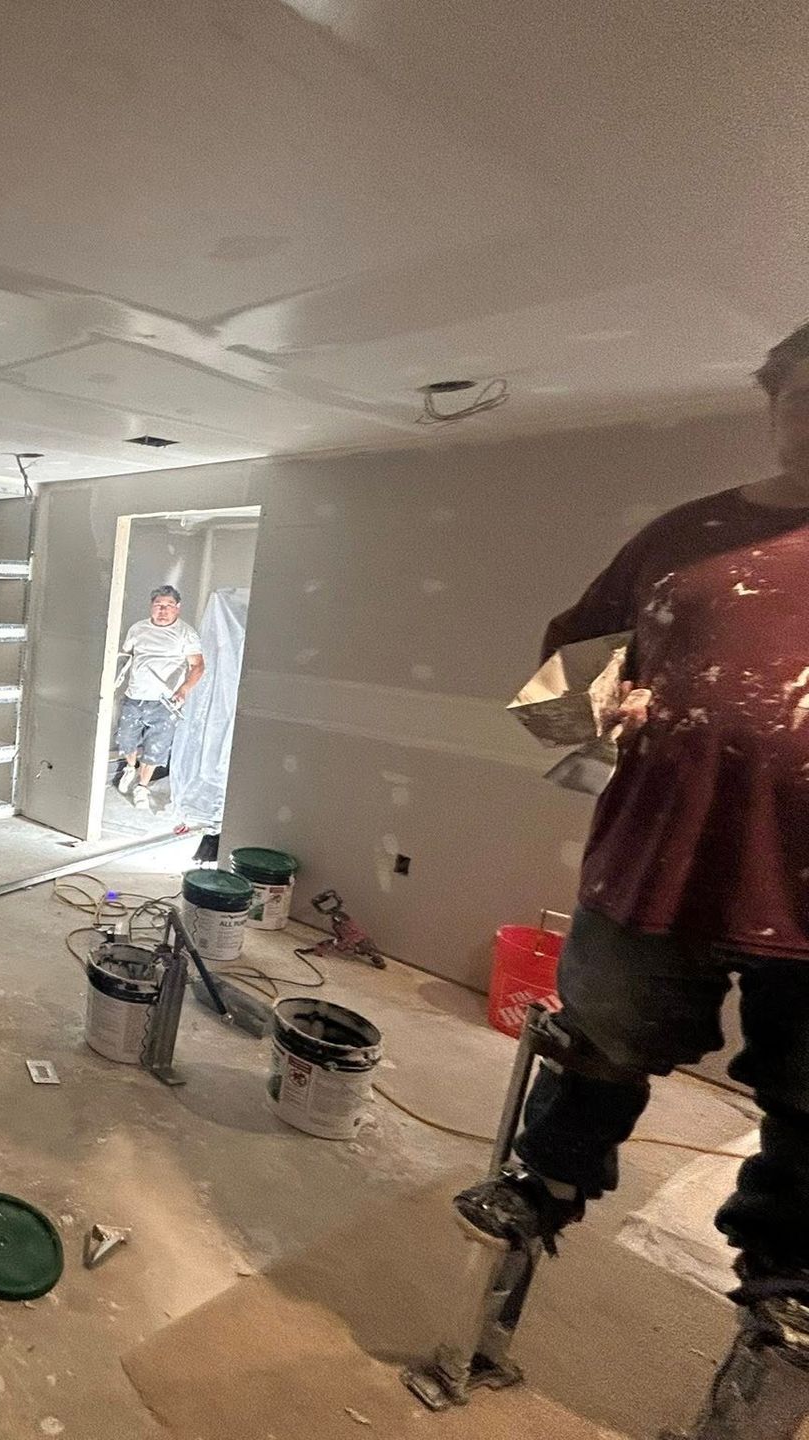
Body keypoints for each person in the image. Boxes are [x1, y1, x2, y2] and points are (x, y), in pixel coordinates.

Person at [457, 322, 809, 1400]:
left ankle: (788, 1276)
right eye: (805, 394)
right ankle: (548, 1184)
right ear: (774, 402)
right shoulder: (684, 538)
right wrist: (598, 705)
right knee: (599, 1044)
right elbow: (559, 695)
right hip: (656, 867)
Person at [111, 584, 205, 811]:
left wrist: (183, 689)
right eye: (158, 605)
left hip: (165, 702)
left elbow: (198, 666)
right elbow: (126, 655)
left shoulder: (186, 634)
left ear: (178, 607)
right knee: (126, 739)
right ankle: (130, 768)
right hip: (135, 696)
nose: (163, 610)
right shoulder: (137, 629)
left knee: (156, 747)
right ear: (151, 606)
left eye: (169, 605)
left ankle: (142, 787)